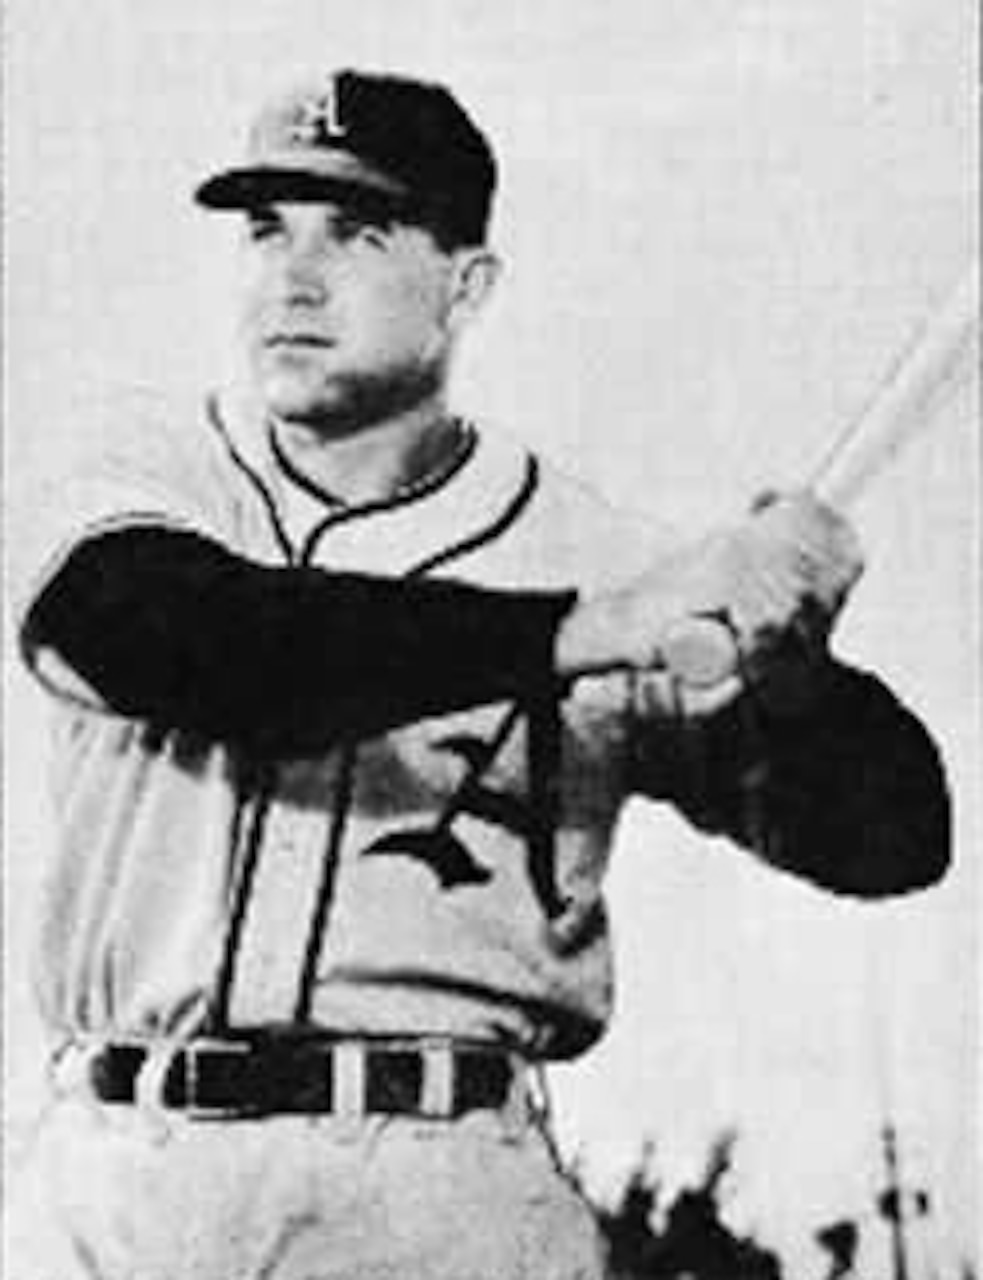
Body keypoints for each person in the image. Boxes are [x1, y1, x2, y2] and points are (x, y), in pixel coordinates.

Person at [8, 68, 950, 1280]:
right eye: (264, 231)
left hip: (433, 1190)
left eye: (356, 232)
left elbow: (891, 837)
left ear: (466, 285)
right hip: (113, 1175)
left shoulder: (592, 554)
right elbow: (197, 645)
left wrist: (793, 672)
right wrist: (595, 627)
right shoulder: (142, 471)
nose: (292, 277)